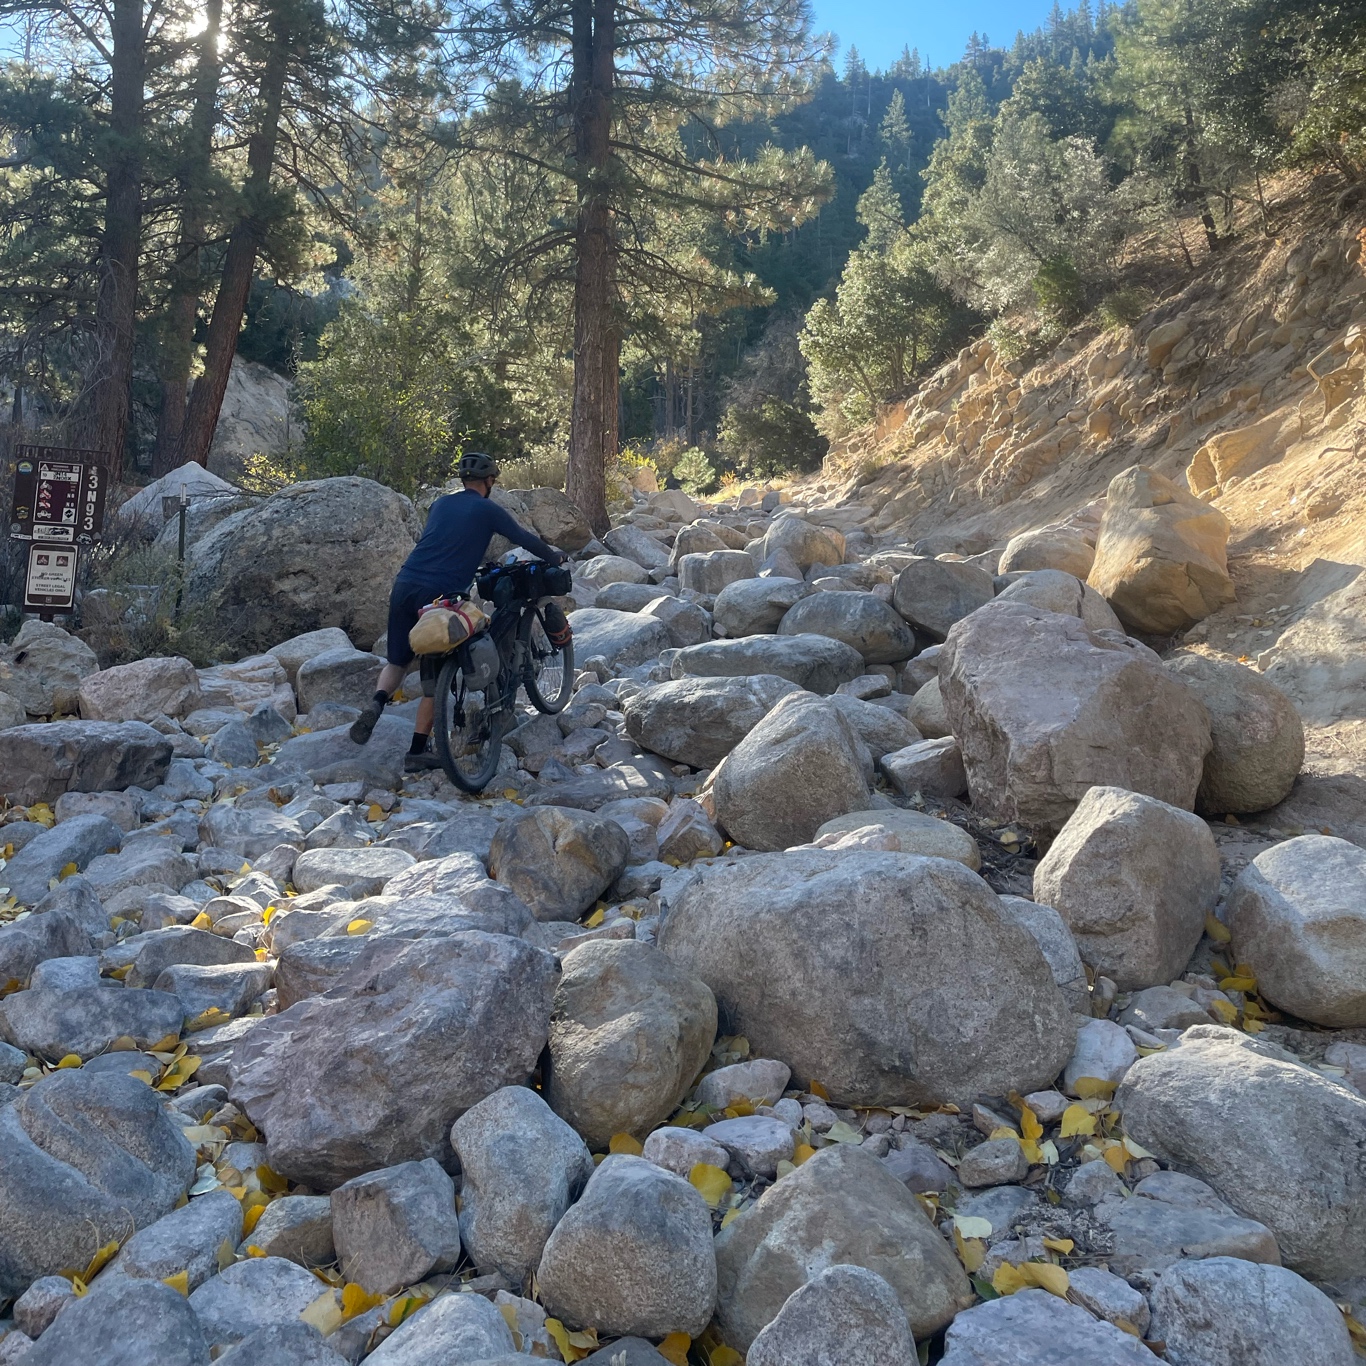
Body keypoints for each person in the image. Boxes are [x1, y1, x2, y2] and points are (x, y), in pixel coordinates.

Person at [350, 451, 568, 769]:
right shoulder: (488, 509)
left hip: (405, 584)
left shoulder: (439, 505)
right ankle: (417, 750)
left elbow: (444, 541)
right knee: (436, 672)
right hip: (440, 594)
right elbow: (522, 537)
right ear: (489, 480)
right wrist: (553, 558)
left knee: (397, 660)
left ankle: (377, 702)